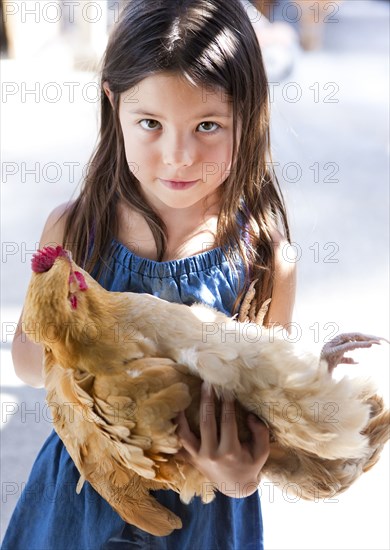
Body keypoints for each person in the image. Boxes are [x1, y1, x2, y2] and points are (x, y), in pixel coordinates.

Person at [3, 0, 296, 548]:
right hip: (83, 492)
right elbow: (27, 363)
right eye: (150, 124)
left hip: (202, 511)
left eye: (208, 125)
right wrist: (78, 339)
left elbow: (267, 426)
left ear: (250, 114)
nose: (178, 156)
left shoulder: (262, 259)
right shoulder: (75, 230)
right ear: (113, 104)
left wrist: (239, 478)